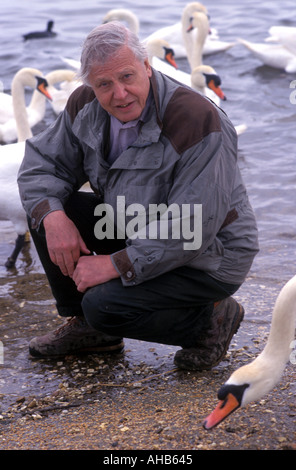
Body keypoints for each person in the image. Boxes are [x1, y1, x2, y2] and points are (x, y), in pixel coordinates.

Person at [17, 22, 259, 371]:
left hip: (209, 253)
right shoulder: (84, 106)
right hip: (135, 222)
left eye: (127, 77)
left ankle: (211, 322)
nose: (119, 94)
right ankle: (88, 328)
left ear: (147, 67)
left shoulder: (198, 121)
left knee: (103, 303)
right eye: (104, 84)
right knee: (48, 209)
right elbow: (42, 166)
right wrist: (54, 218)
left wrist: (114, 265)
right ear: (90, 85)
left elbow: (190, 227)